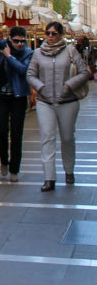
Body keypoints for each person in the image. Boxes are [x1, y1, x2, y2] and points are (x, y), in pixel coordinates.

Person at [27, 21, 90, 192]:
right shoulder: (38, 53)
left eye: (54, 33)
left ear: (60, 34)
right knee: (47, 137)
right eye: (48, 33)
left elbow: (85, 72)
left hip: (68, 101)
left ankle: (69, 171)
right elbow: (30, 74)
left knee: (67, 138)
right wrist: (40, 87)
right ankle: (49, 178)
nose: (50, 36)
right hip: (44, 101)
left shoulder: (70, 51)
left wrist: (69, 85)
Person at [0, 26, 33, 183]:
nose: (19, 44)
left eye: (22, 41)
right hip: (0, 96)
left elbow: (23, 71)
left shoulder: (28, 53)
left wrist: (9, 57)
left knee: (17, 134)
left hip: (19, 96)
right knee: (1, 130)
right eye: (16, 41)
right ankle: (4, 160)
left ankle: (14, 169)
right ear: (10, 39)